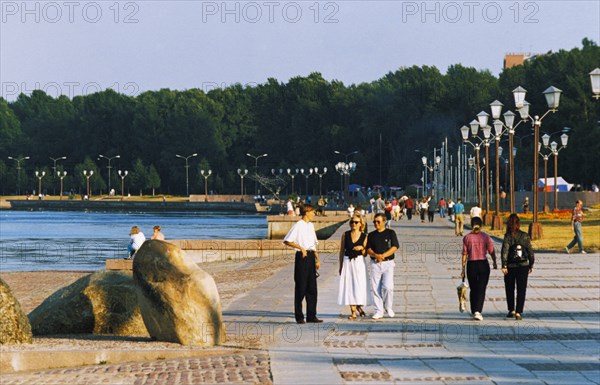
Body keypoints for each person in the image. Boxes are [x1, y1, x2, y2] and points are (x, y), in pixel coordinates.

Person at [283, 204, 323, 324]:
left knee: (312, 288)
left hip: (310, 256)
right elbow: (287, 241)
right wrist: (300, 248)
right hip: (302, 257)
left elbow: (314, 243)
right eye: (313, 212)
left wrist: (317, 259)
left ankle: (311, 315)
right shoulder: (298, 225)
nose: (314, 214)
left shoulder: (311, 226)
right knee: (301, 287)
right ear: (307, 212)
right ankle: (299, 316)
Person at [461, 217, 497, 321]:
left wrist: (463, 269)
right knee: (481, 288)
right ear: (481, 225)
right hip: (483, 265)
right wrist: (494, 261)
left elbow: (464, 254)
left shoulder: (467, 238)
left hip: (471, 265)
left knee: (473, 289)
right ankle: (478, 311)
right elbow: (491, 251)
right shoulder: (486, 237)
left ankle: (474, 310)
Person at [501, 213, 534, 320]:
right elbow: (530, 251)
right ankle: (519, 311)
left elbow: (504, 251)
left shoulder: (508, 236)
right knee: (521, 289)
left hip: (510, 266)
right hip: (523, 265)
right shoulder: (525, 236)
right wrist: (531, 264)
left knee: (509, 288)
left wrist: (504, 264)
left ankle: (511, 309)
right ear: (518, 223)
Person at [366, 213, 399, 319]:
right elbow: (368, 249)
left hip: (388, 263)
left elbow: (395, 247)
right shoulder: (371, 235)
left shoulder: (390, 233)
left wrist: (383, 256)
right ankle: (378, 310)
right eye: (374, 222)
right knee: (375, 288)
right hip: (375, 263)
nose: (376, 223)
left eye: (378, 221)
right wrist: (376, 255)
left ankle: (388, 307)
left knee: (388, 287)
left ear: (384, 222)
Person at [338, 214, 369, 320]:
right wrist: (341, 266)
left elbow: (366, 253)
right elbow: (342, 251)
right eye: (352, 222)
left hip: (359, 262)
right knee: (349, 286)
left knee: (359, 286)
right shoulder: (345, 234)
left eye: (356, 222)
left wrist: (362, 248)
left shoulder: (365, 236)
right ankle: (353, 312)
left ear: (361, 224)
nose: (354, 224)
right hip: (347, 262)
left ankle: (359, 307)